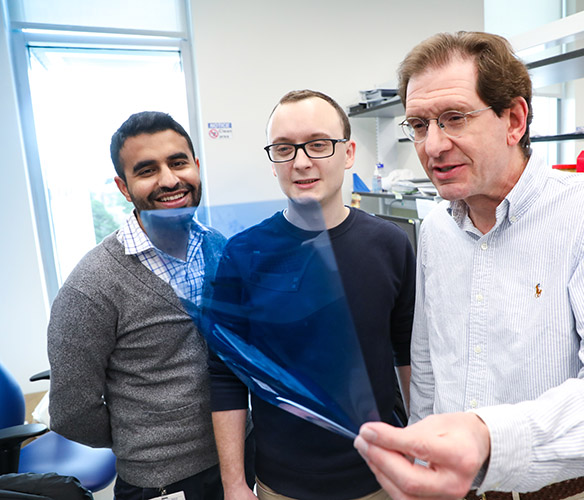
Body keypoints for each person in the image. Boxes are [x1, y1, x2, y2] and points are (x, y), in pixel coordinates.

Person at [354, 31, 584, 500]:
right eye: (419, 124)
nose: (433, 145)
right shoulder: (438, 228)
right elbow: (428, 364)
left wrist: (491, 440)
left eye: (454, 118)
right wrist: (424, 455)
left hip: (567, 491)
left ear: (514, 119)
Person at [207, 89, 415, 500]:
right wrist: (234, 484)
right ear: (273, 162)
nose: (301, 161)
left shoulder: (390, 244)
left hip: (381, 477)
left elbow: (407, 354)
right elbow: (225, 375)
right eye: (284, 148)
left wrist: (420, 452)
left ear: (348, 152)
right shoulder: (243, 254)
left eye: (318, 144)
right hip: (283, 485)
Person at [47, 111, 254, 500]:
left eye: (178, 162)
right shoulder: (91, 286)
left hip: (241, 459)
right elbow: (72, 412)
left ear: (196, 165)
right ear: (124, 188)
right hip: (160, 483)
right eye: (147, 170)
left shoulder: (219, 247)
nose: (170, 180)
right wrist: (141, 439)